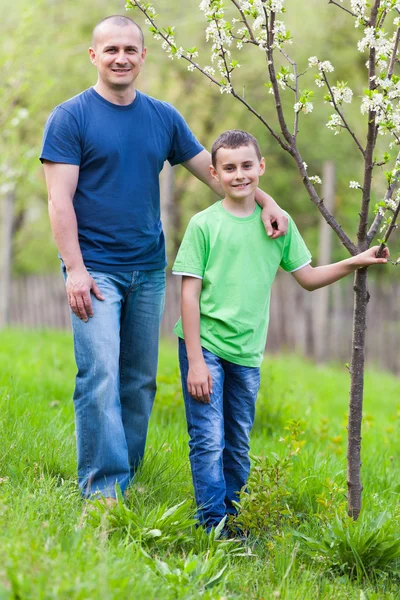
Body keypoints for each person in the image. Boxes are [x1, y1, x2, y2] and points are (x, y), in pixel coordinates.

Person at [40, 16, 288, 501]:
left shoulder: (162, 117)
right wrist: (74, 268)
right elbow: (58, 200)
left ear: (143, 56)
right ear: (94, 56)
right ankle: (102, 492)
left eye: (130, 50)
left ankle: (125, 473)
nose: (121, 58)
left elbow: (221, 176)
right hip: (94, 272)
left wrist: (268, 201)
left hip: (149, 269)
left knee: (138, 382)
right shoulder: (70, 118)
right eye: (111, 50)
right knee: (101, 375)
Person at [172, 129, 389, 531]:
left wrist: (356, 261)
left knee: (236, 445)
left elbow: (306, 277)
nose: (240, 175)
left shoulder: (277, 225)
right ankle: (212, 526)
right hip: (204, 347)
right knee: (207, 439)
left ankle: (233, 519)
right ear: (215, 175)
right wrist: (196, 363)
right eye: (230, 168)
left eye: (247, 166)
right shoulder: (204, 225)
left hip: (247, 353)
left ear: (261, 167)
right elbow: (189, 293)